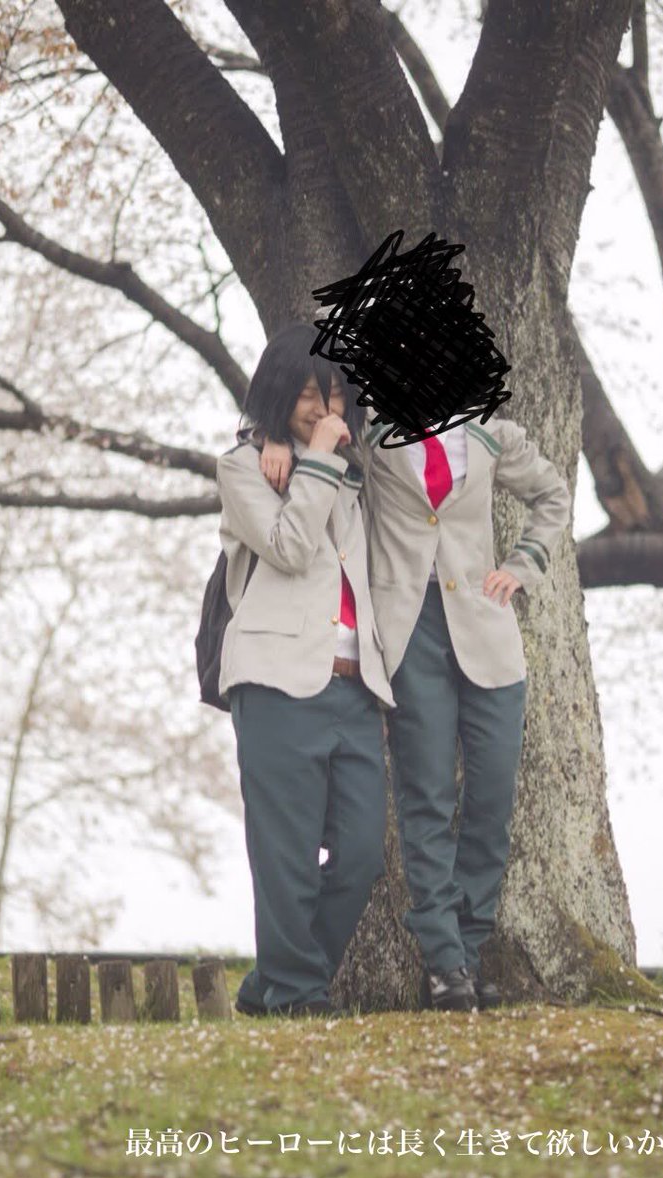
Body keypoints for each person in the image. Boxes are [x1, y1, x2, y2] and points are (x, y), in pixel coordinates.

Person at [261, 380, 571, 1012]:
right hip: (408, 636)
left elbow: (552, 494)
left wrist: (523, 564)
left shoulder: (490, 433)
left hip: (487, 634)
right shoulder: (369, 436)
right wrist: (266, 435)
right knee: (426, 801)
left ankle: (470, 946)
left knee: (491, 803)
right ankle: (445, 964)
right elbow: (310, 438)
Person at [216, 323, 394, 1018]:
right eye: (308, 395)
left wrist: (321, 454)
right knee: (285, 853)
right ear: (280, 393)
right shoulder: (243, 468)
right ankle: (296, 995)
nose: (324, 409)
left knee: (363, 854)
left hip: (356, 685)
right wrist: (306, 454)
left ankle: (271, 982)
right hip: (276, 680)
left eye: (336, 395)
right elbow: (289, 547)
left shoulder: (353, 471)